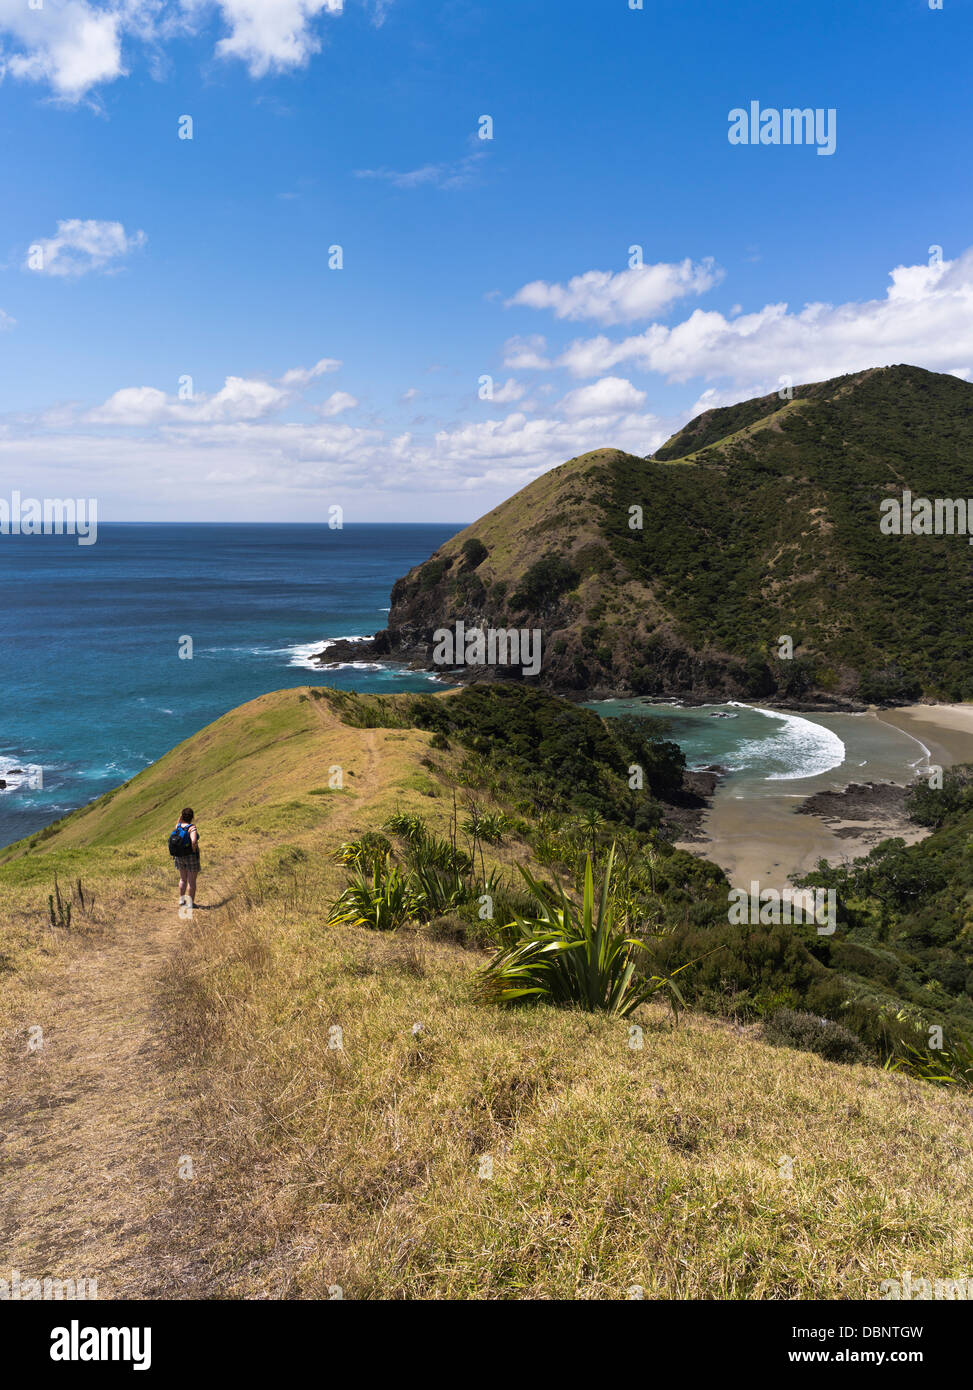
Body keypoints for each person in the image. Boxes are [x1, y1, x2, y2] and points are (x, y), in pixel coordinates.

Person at [172, 806, 201, 909]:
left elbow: (179, 821)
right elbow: (193, 840)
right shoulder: (191, 828)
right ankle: (190, 904)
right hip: (191, 856)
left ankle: (181, 900)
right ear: (192, 817)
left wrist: (181, 816)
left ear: (182, 816)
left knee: (183, 879)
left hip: (179, 856)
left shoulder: (178, 826)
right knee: (191, 881)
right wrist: (194, 849)